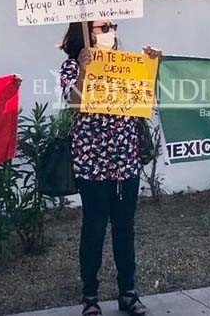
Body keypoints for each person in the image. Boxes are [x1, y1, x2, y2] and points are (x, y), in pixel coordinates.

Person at [58, 20, 161, 316]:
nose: (109, 32)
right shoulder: (71, 66)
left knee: (124, 227)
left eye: (112, 26)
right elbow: (74, 104)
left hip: (125, 160)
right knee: (94, 227)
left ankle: (128, 292)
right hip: (92, 163)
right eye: (102, 27)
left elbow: (146, 99)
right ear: (85, 32)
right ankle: (90, 296)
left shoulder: (126, 64)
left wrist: (152, 66)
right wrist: (84, 71)